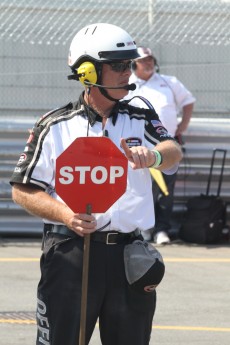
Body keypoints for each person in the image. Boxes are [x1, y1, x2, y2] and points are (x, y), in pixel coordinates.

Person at [10, 23, 182, 345]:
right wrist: (66, 215)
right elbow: (22, 190)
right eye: (118, 65)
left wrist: (154, 157)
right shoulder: (55, 126)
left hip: (129, 255)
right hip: (69, 254)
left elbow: (173, 151)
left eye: (129, 64)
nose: (126, 73)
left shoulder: (140, 114)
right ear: (88, 71)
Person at [124, 46, 195, 244]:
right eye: (144, 60)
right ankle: (142, 230)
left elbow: (188, 101)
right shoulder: (127, 84)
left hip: (166, 148)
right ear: (134, 64)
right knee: (140, 189)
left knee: (166, 191)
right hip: (137, 149)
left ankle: (161, 230)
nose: (148, 63)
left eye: (151, 59)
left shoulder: (169, 82)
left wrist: (183, 124)